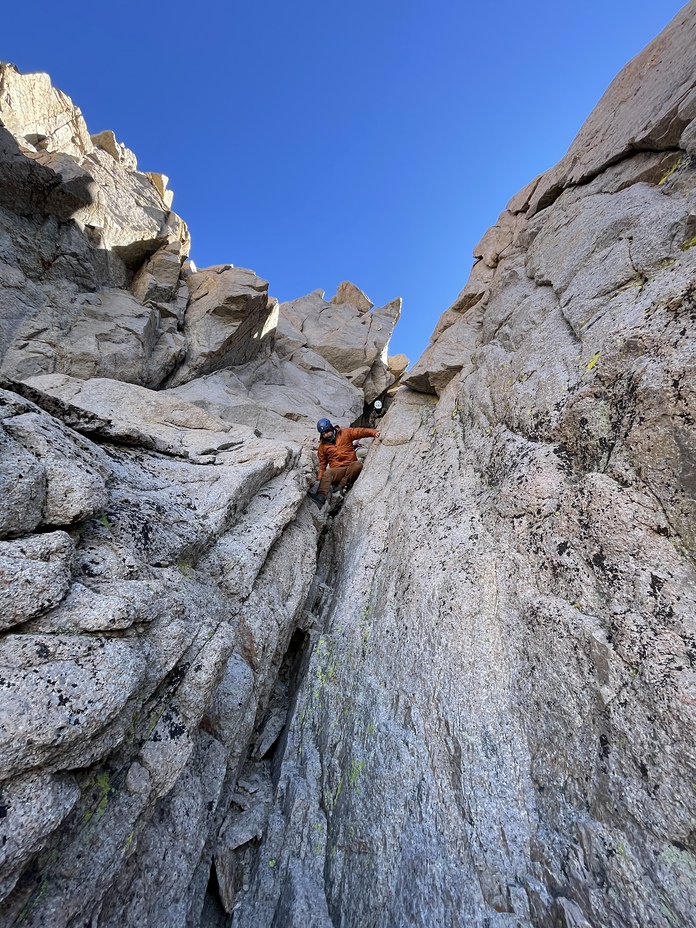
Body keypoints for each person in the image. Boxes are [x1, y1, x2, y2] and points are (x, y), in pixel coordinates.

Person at [308, 417, 380, 509]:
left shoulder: (345, 433)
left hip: (351, 465)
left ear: (331, 428)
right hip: (337, 470)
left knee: (358, 465)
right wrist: (319, 480)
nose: (325, 435)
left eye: (326, 432)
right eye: (323, 434)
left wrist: (374, 433)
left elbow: (360, 431)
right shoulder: (322, 446)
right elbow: (322, 465)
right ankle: (320, 498)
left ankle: (341, 485)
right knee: (327, 473)